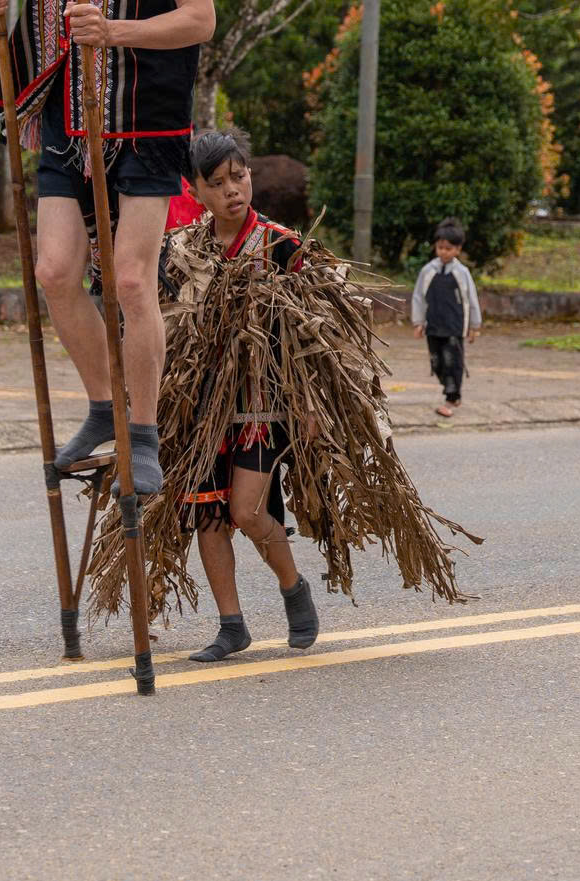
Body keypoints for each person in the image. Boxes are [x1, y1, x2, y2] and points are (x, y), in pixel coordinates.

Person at [85, 130, 477, 661]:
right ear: (195, 189)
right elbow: (145, 308)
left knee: (246, 512)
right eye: (217, 183)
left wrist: (317, 404)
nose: (232, 190)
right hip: (198, 410)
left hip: (261, 405)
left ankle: (294, 588)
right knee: (207, 516)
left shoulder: (281, 244)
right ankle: (231, 626)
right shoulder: (181, 249)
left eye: (239, 177)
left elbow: (328, 322)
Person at [0, 0, 215, 494]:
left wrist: (114, 30)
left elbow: (199, 18)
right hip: (60, 117)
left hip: (139, 123)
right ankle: (103, 407)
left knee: (134, 280)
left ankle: (141, 435)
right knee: (54, 271)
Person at [411, 218, 481, 419]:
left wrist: (474, 326)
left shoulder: (462, 273)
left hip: (454, 326)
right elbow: (418, 297)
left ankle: (451, 399)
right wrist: (418, 322)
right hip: (433, 325)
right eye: (440, 247)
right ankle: (450, 390)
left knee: (453, 362)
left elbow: (471, 299)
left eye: (448, 248)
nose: (443, 252)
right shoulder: (428, 271)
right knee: (437, 362)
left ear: (458, 249)